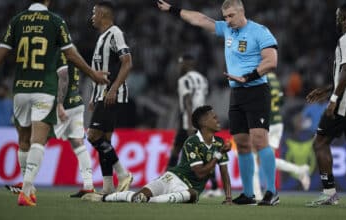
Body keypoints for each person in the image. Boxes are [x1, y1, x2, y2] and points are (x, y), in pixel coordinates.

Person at [157, 0, 278, 205]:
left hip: (256, 90)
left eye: (231, 16)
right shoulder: (227, 30)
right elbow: (200, 19)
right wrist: (173, 10)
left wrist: (248, 77)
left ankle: (271, 192)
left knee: (259, 140)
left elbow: (271, 61)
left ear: (242, 12)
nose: (227, 21)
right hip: (237, 93)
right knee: (241, 143)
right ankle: (249, 194)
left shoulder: (260, 31)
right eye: (225, 17)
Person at [0, 0, 109, 206]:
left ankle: (28, 188)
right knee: (39, 141)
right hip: (44, 90)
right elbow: (70, 55)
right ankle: (26, 190)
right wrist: (93, 74)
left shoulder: (16, 21)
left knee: (23, 141)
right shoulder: (55, 21)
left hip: (20, 89)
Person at [82, 105, 232, 204]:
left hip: (186, 189)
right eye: (214, 117)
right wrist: (217, 155)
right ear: (204, 123)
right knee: (137, 196)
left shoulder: (219, 143)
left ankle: (149, 201)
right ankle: (104, 198)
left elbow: (224, 172)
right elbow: (200, 173)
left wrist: (229, 198)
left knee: (193, 195)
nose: (218, 120)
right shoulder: (192, 142)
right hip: (171, 178)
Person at [305, 3, 346, 209]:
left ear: (343, 17)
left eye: (337, 16)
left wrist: (333, 99)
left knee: (320, 143)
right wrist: (326, 89)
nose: (335, 20)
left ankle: (329, 193)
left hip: (343, 104)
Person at [87, 1, 133, 194]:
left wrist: (113, 89)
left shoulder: (115, 33)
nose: (92, 16)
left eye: (94, 12)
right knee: (105, 140)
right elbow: (100, 69)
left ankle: (123, 174)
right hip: (101, 94)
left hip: (110, 95)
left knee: (93, 136)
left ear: (103, 15)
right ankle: (107, 187)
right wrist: (93, 95)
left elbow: (127, 62)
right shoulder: (102, 37)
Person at [166, 54, 221, 197]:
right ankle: (215, 187)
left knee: (176, 150)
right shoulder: (203, 79)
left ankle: (166, 182)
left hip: (189, 122)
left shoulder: (183, 80)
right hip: (203, 122)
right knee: (205, 153)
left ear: (186, 64)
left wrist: (190, 123)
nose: (179, 66)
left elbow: (188, 100)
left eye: (181, 63)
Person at [253, 72, 310, 200]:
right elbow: (281, 100)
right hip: (277, 122)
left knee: (254, 158)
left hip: (264, 122)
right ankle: (299, 170)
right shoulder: (273, 77)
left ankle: (256, 194)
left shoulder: (258, 76)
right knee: (268, 160)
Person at [54, 53, 95, 198]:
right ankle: (88, 185)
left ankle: (26, 183)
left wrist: (59, 104)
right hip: (77, 102)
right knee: (78, 143)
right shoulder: (74, 53)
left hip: (64, 105)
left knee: (38, 138)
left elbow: (62, 79)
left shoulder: (59, 54)